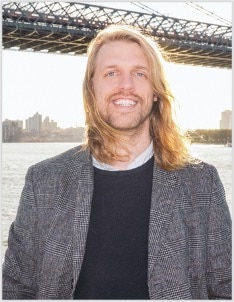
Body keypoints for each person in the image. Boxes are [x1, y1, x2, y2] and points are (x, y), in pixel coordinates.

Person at [2, 25, 231, 300]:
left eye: (140, 73)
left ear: (156, 91)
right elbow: (16, 289)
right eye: (111, 73)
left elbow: (225, 288)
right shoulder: (43, 181)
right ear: (91, 89)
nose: (126, 85)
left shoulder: (201, 182)